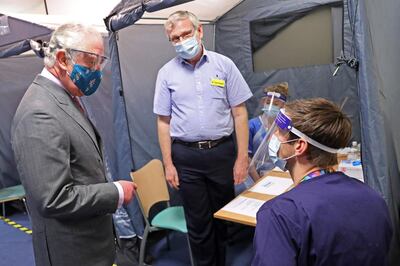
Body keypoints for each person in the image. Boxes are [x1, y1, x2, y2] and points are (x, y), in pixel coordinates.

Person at [12, 24, 137, 266]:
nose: (97, 71)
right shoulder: (40, 112)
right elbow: (54, 198)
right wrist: (116, 192)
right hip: (71, 252)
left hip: (89, 242)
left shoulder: (64, 97)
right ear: (62, 59)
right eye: (91, 62)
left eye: (100, 63)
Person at [153, 10, 253, 266]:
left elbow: (240, 113)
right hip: (186, 157)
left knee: (221, 219)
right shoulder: (166, 74)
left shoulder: (224, 65)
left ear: (199, 32)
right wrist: (168, 164)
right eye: (175, 38)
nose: (181, 41)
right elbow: (163, 122)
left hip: (222, 153)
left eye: (186, 33)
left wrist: (242, 157)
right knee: (198, 225)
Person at [252, 98, 392, 266]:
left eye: (280, 131)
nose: (273, 135)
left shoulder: (279, 214)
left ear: (299, 146)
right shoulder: (374, 198)